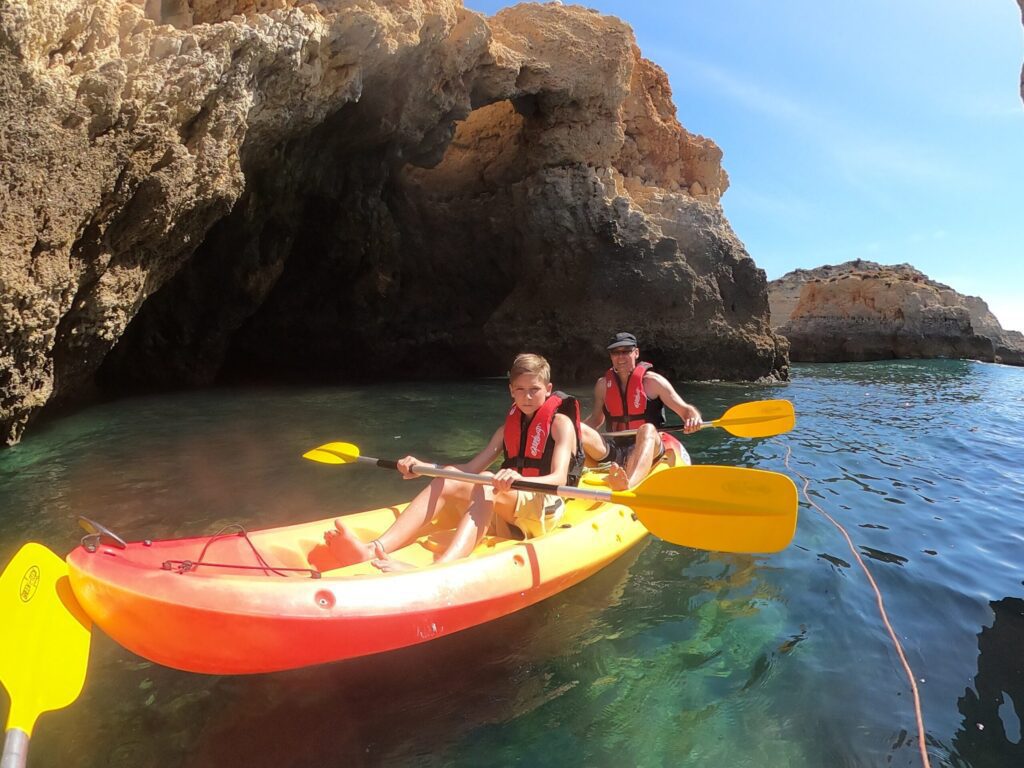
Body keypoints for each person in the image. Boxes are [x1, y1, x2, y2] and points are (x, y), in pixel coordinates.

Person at [324, 353, 585, 571]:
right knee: (449, 476)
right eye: (521, 390)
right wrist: (423, 467)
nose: (527, 397)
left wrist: (518, 480)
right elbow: (471, 470)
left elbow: (559, 478)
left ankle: (443, 567)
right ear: (511, 391)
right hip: (512, 499)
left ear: (548, 390)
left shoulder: (559, 424)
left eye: (535, 390)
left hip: (544, 502)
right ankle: (373, 549)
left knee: (484, 487)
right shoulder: (507, 428)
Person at [582, 332, 702, 491]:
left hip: (648, 446)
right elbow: (596, 420)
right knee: (577, 428)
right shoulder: (603, 385)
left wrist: (693, 418)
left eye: (626, 351)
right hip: (616, 449)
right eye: (615, 353)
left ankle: (628, 486)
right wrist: (572, 430)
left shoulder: (653, 382)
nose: (621, 357)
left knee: (647, 429)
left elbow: (686, 411)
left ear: (636, 353)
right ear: (611, 357)